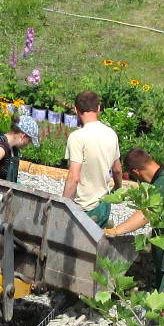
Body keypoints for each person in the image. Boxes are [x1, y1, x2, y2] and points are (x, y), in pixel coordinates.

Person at [103, 148, 164, 315]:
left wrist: (116, 231)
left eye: (134, 178)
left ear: (136, 172)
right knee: (159, 312)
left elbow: (146, 214)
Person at [61, 90, 121, 225]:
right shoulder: (111, 134)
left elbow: (73, 178)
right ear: (99, 108)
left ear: (76, 109)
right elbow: (117, 170)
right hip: (104, 204)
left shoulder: (77, 137)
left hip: (84, 208)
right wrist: (117, 187)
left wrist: (62, 207)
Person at [0, 114, 40, 186]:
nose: (28, 144)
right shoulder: (1, 147)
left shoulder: (12, 148)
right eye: (29, 141)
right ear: (23, 136)